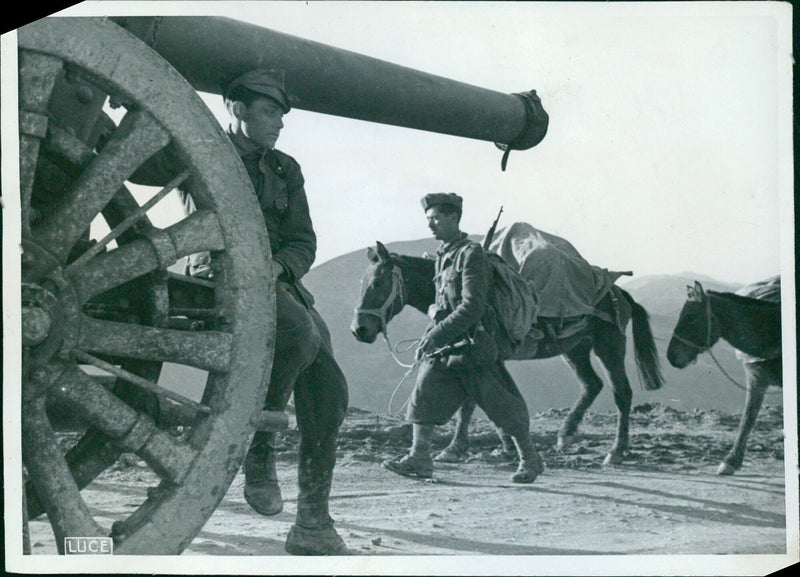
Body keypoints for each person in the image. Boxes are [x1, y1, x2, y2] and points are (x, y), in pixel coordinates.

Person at [218, 69, 349, 555]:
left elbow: (303, 240)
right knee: (298, 333)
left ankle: (312, 522)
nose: (279, 124)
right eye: (270, 112)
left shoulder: (284, 169)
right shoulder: (204, 151)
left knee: (331, 390)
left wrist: (277, 266)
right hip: (220, 276)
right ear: (238, 108)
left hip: (275, 281)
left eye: (281, 115)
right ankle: (262, 443)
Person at [382, 193, 543, 483]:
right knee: (423, 396)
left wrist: (437, 333)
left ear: (453, 218)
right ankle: (420, 457)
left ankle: (529, 459)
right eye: (428, 219)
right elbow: (443, 303)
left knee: (502, 405)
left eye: (436, 218)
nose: (430, 225)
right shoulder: (444, 255)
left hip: (475, 345)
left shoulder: (471, 255)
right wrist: (433, 322)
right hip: (448, 345)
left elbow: (472, 306)